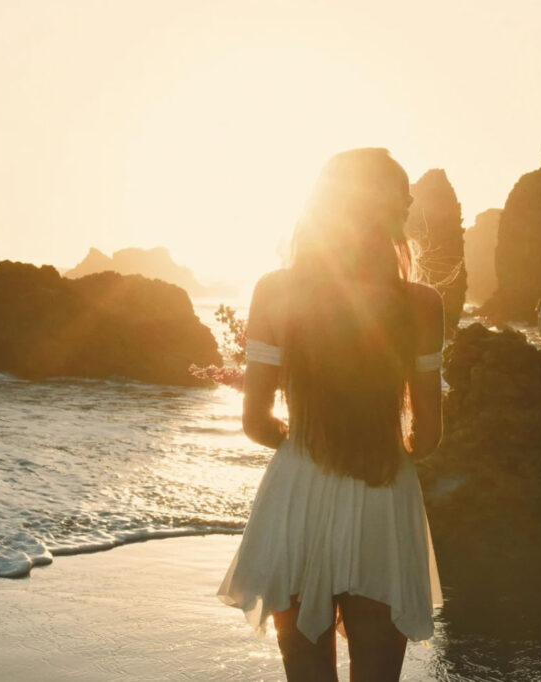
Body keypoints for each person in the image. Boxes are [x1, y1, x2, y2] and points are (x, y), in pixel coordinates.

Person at [217, 148, 444, 681]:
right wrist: (374, 448)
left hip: (297, 492)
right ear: (393, 212)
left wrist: (309, 443)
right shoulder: (422, 303)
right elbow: (429, 434)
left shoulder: (275, 291)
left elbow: (255, 423)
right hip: (382, 493)